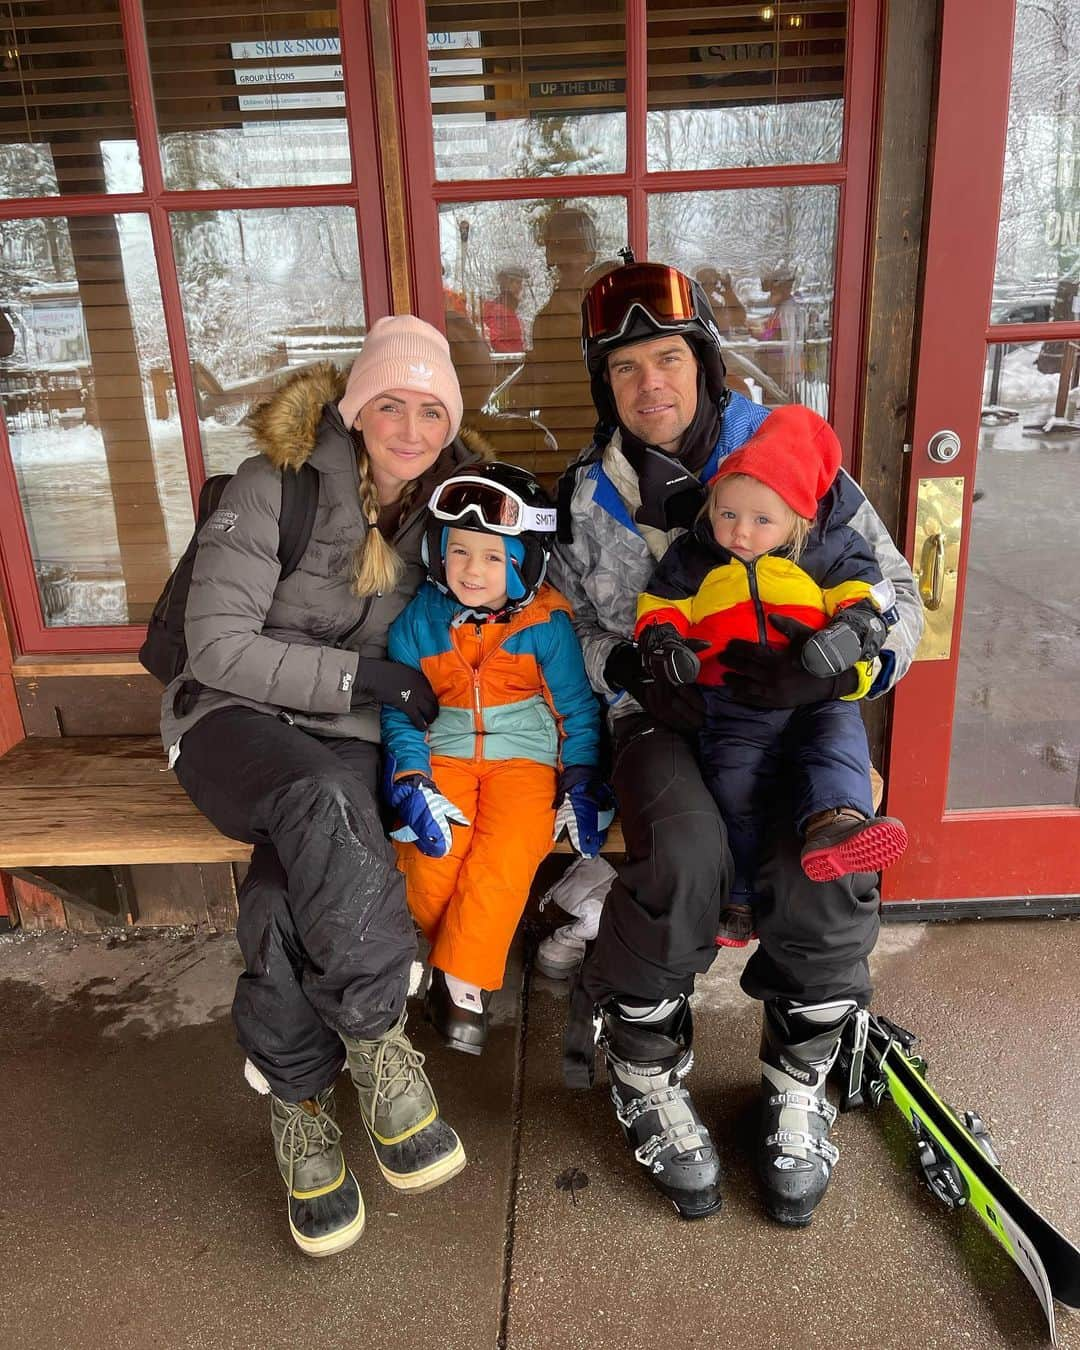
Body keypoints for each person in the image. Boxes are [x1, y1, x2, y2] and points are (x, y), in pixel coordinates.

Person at [547, 256, 923, 1226]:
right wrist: (629, 670)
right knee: (683, 852)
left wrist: (841, 670)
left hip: (799, 708)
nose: (649, 385)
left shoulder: (796, 460)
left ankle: (798, 1080)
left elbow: (900, 598)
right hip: (666, 718)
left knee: (825, 860)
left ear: (705, 363)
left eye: (666, 358)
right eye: (625, 369)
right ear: (605, 385)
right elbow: (574, 629)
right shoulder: (588, 499)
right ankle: (644, 1069)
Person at [162, 317, 486, 1258]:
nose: (413, 427)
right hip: (227, 721)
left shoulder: (447, 509)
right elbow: (216, 645)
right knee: (319, 804)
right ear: (356, 408)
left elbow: (491, 600)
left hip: (345, 737)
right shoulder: (276, 486)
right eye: (392, 404)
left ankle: (300, 1104)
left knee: (283, 888)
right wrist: (358, 680)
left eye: (433, 409)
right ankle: (381, 1042)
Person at [634, 403, 909, 950]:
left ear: (799, 519)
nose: (740, 533)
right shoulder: (695, 557)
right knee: (733, 787)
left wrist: (850, 637)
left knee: (836, 749)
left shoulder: (831, 551)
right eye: (728, 514)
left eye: (763, 520)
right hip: (731, 701)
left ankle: (837, 825)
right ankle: (738, 896)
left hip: (815, 697)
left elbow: (870, 598)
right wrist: (662, 646)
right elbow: (660, 606)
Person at [381, 463, 609, 1056]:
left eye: (491, 557)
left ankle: (463, 980)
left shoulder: (548, 623)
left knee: (504, 856)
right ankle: (450, 959)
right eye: (459, 552)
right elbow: (401, 711)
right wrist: (410, 774)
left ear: (525, 561)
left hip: (526, 763)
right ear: (437, 553)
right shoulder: (418, 622)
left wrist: (581, 776)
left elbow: (577, 712)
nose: (472, 571)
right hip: (446, 754)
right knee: (433, 857)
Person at [482, 267, 528, 353]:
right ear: (507, 284)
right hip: (510, 363)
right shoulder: (499, 310)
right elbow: (496, 342)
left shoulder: (509, 309)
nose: (521, 287)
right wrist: (514, 359)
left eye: (521, 283)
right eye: (518, 283)